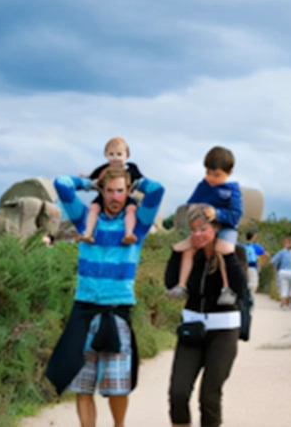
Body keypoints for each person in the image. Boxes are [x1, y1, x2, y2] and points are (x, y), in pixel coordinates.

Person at [45, 166, 165, 427]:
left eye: (120, 191)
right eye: (109, 191)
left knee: (118, 387)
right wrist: (88, 182)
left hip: (116, 311)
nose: (114, 197)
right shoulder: (86, 220)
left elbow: (157, 191)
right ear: (102, 191)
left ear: (127, 191)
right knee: (83, 386)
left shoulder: (137, 227)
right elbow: (61, 184)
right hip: (85, 310)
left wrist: (136, 182)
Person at [167, 205, 249, 427]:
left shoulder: (235, 252)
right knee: (178, 394)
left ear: (217, 228)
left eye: (203, 228)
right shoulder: (190, 256)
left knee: (209, 397)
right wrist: (178, 251)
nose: (197, 235)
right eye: (193, 230)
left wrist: (227, 254)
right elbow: (170, 283)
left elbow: (240, 290)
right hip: (192, 329)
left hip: (223, 332)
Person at [166, 146, 243, 304]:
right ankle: (181, 286)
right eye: (208, 173)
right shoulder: (203, 186)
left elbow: (235, 215)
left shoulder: (232, 190)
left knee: (224, 250)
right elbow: (190, 205)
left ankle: (227, 288)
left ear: (228, 173)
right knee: (187, 249)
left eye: (216, 175)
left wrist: (217, 214)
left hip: (224, 225)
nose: (211, 178)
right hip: (202, 224)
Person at [81, 137, 144, 245]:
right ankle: (88, 233)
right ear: (106, 155)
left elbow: (141, 179)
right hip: (105, 196)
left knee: (131, 209)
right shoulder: (104, 168)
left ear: (126, 155)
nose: (115, 158)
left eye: (119, 154)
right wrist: (86, 178)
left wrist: (139, 188)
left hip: (125, 196)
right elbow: (92, 178)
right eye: (111, 154)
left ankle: (129, 234)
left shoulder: (131, 167)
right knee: (94, 208)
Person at [269, 236, 291, 309]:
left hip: (283, 272)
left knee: (284, 288)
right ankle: (289, 303)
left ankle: (284, 305)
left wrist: (276, 266)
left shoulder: (282, 252)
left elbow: (272, 261)